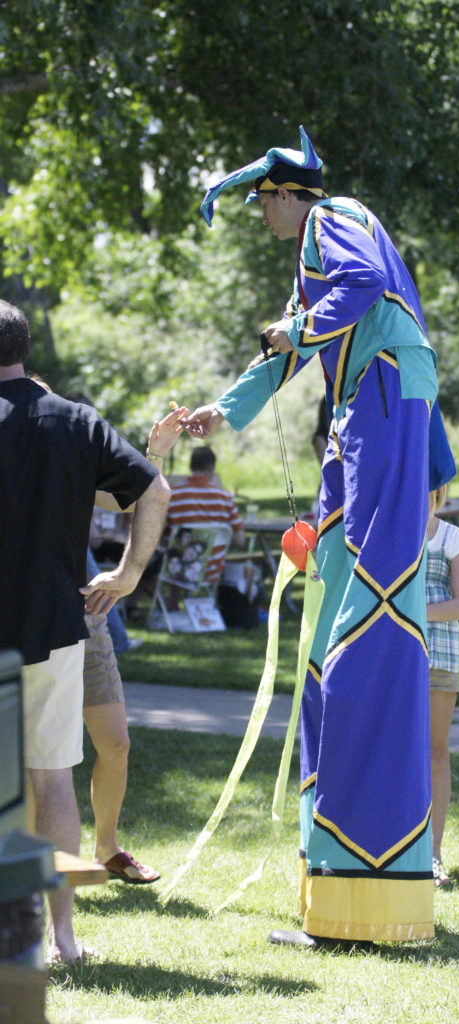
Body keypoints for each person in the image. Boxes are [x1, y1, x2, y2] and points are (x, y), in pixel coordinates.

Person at [185, 125, 455, 946]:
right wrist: (221, 412)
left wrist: (294, 331)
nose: (261, 217)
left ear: (283, 194)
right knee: (342, 635)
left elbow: (361, 289)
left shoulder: (333, 217)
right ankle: (343, 889)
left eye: (262, 202)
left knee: (365, 629)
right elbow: (296, 343)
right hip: (368, 414)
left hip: (380, 404)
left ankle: (361, 890)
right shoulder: (316, 260)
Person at [0, 300, 175, 962]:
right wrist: (129, 575)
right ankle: (63, 937)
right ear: (23, 350)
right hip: (54, 628)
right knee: (52, 781)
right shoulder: (74, 421)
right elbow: (152, 490)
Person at [83, 412, 186, 885]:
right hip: (24, 617)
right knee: (34, 757)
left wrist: (156, 453)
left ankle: (107, 848)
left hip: (84, 611)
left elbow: (133, 498)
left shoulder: (67, 450)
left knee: (116, 744)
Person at [425, 484, 459, 888]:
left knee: (436, 753)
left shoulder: (451, 537)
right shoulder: (388, 531)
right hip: (395, 657)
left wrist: (410, 612)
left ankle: (433, 853)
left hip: (439, 655)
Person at [166, 445, 245, 584]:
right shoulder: (225, 497)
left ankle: (169, 603)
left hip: (177, 568)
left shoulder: (173, 495)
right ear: (211, 467)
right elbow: (240, 541)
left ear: (191, 466)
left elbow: (163, 533)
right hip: (212, 570)